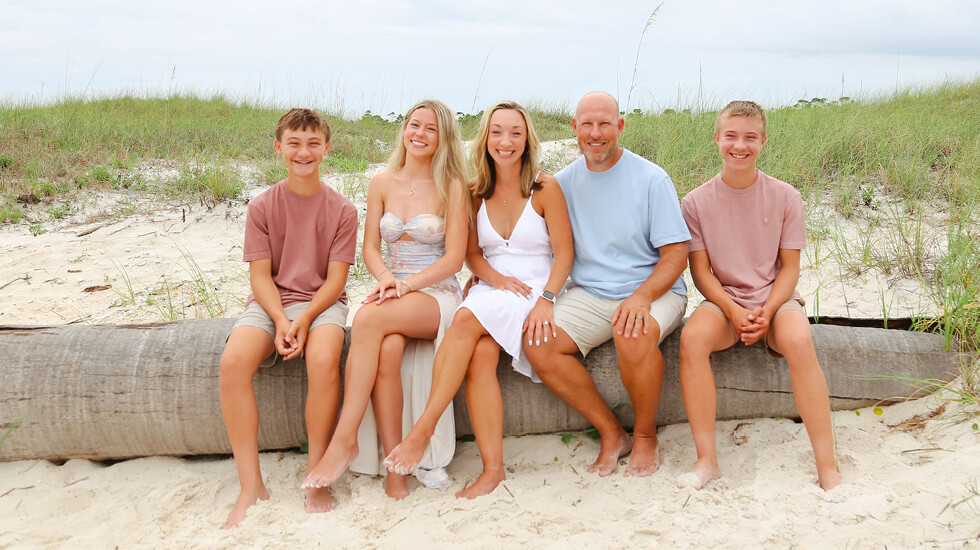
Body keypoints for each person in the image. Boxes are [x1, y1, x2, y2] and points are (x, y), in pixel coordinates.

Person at [383, 101, 574, 498]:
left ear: (527, 140)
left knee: (465, 320)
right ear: (485, 138)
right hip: (495, 283)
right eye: (497, 132)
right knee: (481, 357)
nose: (506, 142)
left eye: (516, 133)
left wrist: (547, 300)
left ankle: (422, 431)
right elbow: (470, 255)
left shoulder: (544, 186)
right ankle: (493, 470)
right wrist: (493, 278)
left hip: (536, 285)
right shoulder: (473, 191)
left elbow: (566, 254)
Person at [302, 99, 469, 499]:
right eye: (414, 125)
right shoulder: (381, 182)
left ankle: (344, 439)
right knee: (387, 352)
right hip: (392, 287)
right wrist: (387, 279)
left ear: (443, 137)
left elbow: (455, 259)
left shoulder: (453, 186)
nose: (420, 134)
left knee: (367, 320)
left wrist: (408, 286)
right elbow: (371, 248)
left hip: (435, 293)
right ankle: (396, 469)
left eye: (431, 128)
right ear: (404, 128)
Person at [522, 91, 691, 477]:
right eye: (587, 124)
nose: (595, 133)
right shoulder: (559, 184)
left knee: (631, 332)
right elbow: (524, 243)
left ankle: (646, 435)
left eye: (604, 124)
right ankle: (612, 432)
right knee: (538, 342)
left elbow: (676, 254)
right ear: (574, 128)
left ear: (620, 126)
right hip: (590, 293)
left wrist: (642, 296)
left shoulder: (650, 178)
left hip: (654, 289)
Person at [677, 100, 842, 490]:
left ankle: (828, 466)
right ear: (717, 138)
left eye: (750, 137)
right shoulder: (695, 202)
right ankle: (706, 461)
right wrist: (733, 311)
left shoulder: (786, 197)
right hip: (725, 299)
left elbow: (790, 269)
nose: (740, 145)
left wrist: (767, 311)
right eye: (731, 135)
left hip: (776, 299)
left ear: (763, 142)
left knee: (800, 340)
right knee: (692, 339)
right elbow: (701, 273)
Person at [218, 108, 357, 528]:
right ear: (279, 148)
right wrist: (280, 320)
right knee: (232, 363)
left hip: (323, 303)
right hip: (270, 302)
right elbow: (260, 277)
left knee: (322, 360)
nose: (304, 151)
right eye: (294, 143)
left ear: (327, 149)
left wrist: (306, 318)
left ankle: (317, 475)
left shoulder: (343, 209)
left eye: (314, 143)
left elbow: (335, 281)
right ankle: (250, 485)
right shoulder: (262, 206)